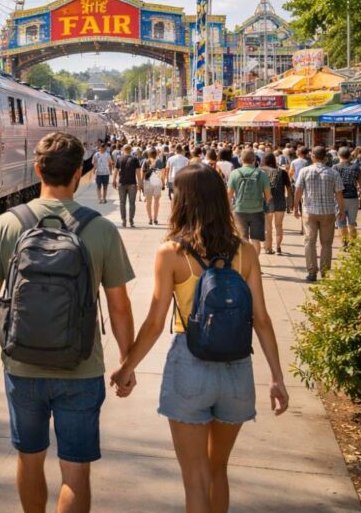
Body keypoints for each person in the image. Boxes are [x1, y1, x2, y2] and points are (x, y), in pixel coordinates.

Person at [0, 132, 135, 513]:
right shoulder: (101, 229)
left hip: (22, 366)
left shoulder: (7, 224)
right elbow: (119, 307)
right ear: (78, 173)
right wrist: (127, 362)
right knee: (75, 472)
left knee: (29, 460)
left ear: (37, 169)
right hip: (81, 368)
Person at [110, 164, 289, 513]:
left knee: (194, 478)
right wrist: (277, 378)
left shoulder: (172, 253)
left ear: (182, 201)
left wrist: (127, 367)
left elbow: (154, 323)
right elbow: (262, 320)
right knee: (217, 470)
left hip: (189, 364)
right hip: (237, 369)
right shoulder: (245, 252)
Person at [294, 146, 343, 282]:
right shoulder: (333, 173)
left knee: (309, 241)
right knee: (326, 243)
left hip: (309, 212)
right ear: (325, 157)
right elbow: (339, 194)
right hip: (328, 212)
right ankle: (325, 272)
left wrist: (295, 207)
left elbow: (298, 190)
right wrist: (341, 210)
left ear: (312, 156)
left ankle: (312, 272)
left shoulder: (304, 171)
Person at [227, 150, 270, 254]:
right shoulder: (262, 174)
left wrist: (229, 209)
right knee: (256, 240)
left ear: (241, 160)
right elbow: (268, 196)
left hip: (240, 209)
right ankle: (255, 261)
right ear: (254, 160)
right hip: (257, 210)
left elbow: (229, 194)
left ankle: (245, 262)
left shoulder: (235, 173)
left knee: (243, 239)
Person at [333, 147, 361, 250]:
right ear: (349, 156)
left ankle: (344, 242)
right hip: (353, 198)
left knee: (341, 222)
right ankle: (353, 243)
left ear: (339, 155)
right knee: (352, 222)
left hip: (339, 198)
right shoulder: (355, 167)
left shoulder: (335, 167)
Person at [260, 153, 291, 255]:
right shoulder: (282, 172)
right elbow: (288, 187)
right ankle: (278, 247)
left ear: (264, 160)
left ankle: (268, 248)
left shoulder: (261, 172)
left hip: (267, 201)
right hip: (280, 200)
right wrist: (289, 200)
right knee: (279, 225)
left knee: (267, 226)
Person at [113, 144, 141, 228]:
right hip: (132, 183)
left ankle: (124, 220)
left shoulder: (119, 159)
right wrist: (140, 183)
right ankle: (131, 221)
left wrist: (114, 180)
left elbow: (116, 170)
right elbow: (138, 172)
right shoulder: (135, 159)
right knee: (132, 203)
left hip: (121, 183)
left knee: (122, 203)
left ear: (123, 150)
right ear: (131, 150)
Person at [141, 148, 164, 225]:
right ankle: (155, 218)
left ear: (149, 154)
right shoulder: (159, 162)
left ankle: (150, 218)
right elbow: (162, 173)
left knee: (148, 201)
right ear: (156, 154)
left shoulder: (145, 161)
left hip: (148, 182)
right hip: (157, 182)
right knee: (157, 201)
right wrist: (163, 183)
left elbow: (142, 173)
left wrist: (141, 183)